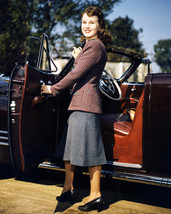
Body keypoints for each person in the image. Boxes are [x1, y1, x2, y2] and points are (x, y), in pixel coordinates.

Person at [41, 6, 111, 212]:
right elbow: (81, 71)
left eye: (91, 22)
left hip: (86, 105)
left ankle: (96, 195)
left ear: (99, 26)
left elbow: (75, 75)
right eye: (84, 22)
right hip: (79, 104)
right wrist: (79, 56)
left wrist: (52, 88)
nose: (87, 26)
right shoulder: (88, 46)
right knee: (70, 151)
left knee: (91, 152)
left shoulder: (95, 46)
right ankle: (68, 188)